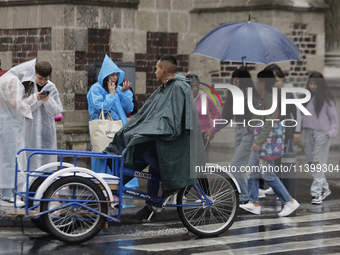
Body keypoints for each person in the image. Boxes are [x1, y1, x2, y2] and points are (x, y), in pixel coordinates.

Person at [104, 55, 205, 220]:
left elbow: (173, 119)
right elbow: (148, 113)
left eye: (157, 68)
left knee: (147, 153)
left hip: (175, 139)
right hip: (161, 135)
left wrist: (151, 128)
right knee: (140, 151)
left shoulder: (179, 87)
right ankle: (151, 204)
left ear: (164, 70)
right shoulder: (165, 88)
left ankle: (169, 185)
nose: (155, 72)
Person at [240, 70, 300, 217]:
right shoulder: (263, 97)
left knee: (267, 174)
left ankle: (289, 202)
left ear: (263, 83)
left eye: (258, 82)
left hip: (264, 142)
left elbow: (270, 122)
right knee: (253, 171)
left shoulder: (269, 98)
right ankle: (254, 203)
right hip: (260, 140)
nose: (256, 84)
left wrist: (259, 142)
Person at [0, 59, 48, 204]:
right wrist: (27, 111)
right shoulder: (14, 81)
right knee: (13, 158)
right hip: (10, 124)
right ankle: (8, 194)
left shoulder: (4, 78)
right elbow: (16, 103)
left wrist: (33, 98)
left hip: (4, 121)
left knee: (5, 158)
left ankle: (4, 192)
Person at [87, 55, 134, 173]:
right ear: (105, 76)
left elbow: (129, 108)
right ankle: (104, 189)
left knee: (121, 161)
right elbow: (100, 109)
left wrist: (124, 92)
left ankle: (122, 190)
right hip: (103, 130)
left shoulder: (118, 89)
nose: (115, 78)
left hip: (120, 130)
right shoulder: (95, 89)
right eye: (112, 75)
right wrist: (111, 95)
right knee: (103, 161)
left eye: (116, 75)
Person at [221, 68, 258, 204]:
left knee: (235, 165)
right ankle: (243, 195)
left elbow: (258, 113)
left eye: (237, 79)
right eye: (233, 79)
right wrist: (212, 129)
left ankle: (244, 196)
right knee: (240, 167)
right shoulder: (234, 94)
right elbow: (227, 116)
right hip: (239, 130)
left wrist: (248, 100)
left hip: (249, 131)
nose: (235, 81)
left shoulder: (252, 94)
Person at [302, 72, 338, 204]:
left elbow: (334, 119)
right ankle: (324, 188)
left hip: (322, 134)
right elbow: (303, 117)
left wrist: (331, 132)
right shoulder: (307, 98)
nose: (312, 86)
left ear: (320, 85)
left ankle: (316, 194)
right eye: (310, 83)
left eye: (315, 84)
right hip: (308, 133)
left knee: (317, 163)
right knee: (311, 163)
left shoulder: (327, 100)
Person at [24, 61, 63, 170]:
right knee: (29, 162)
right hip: (29, 129)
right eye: (40, 78)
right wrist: (35, 98)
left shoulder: (51, 87)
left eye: (45, 79)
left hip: (46, 130)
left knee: (47, 164)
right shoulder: (27, 85)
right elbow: (21, 107)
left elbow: (57, 110)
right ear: (35, 73)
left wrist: (47, 100)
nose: (42, 82)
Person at [186, 73, 221, 147]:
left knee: (198, 158)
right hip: (187, 136)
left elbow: (217, 114)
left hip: (202, 135)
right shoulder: (182, 99)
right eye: (192, 86)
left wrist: (212, 130)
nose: (195, 88)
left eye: (197, 86)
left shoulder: (204, 98)